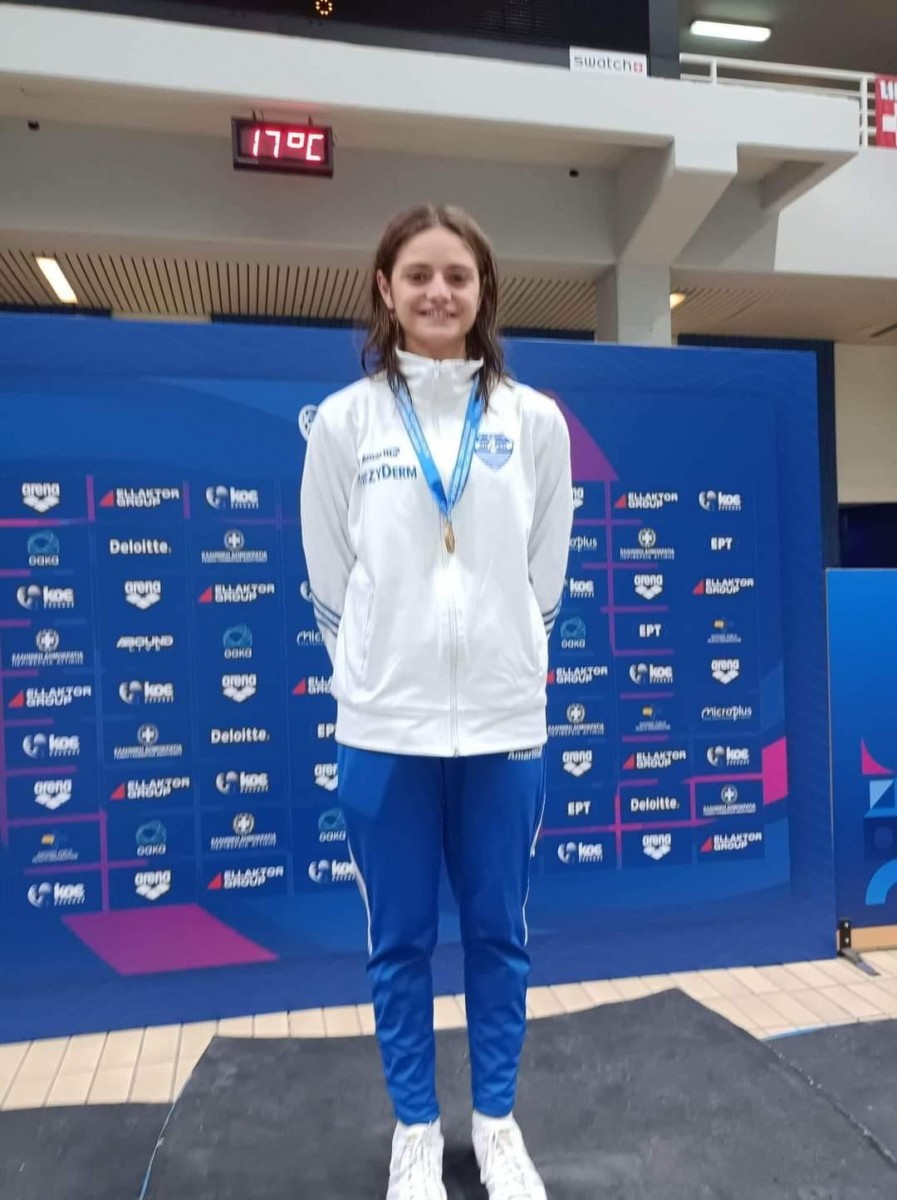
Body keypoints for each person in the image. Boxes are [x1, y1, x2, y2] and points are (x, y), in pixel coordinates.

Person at [300, 203, 573, 1200]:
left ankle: (495, 1122)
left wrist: (511, 657)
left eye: (457, 274)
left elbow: (546, 575)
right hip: (385, 732)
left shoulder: (533, 422)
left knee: (500, 937)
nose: (438, 292)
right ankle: (415, 1130)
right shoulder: (346, 421)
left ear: (483, 289)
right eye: (417, 274)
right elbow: (328, 578)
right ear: (386, 287)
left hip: (502, 726)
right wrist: (375, 674)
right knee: (398, 944)